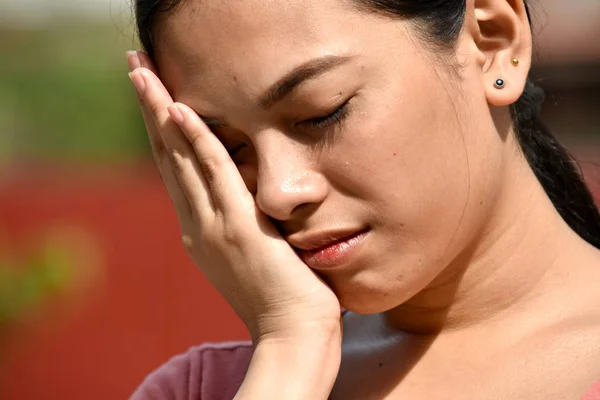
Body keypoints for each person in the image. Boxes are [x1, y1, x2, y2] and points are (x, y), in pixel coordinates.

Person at [126, 0, 600, 398]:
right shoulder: (203, 389)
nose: (276, 192)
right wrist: (290, 352)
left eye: (321, 112)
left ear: (492, 41)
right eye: (228, 148)